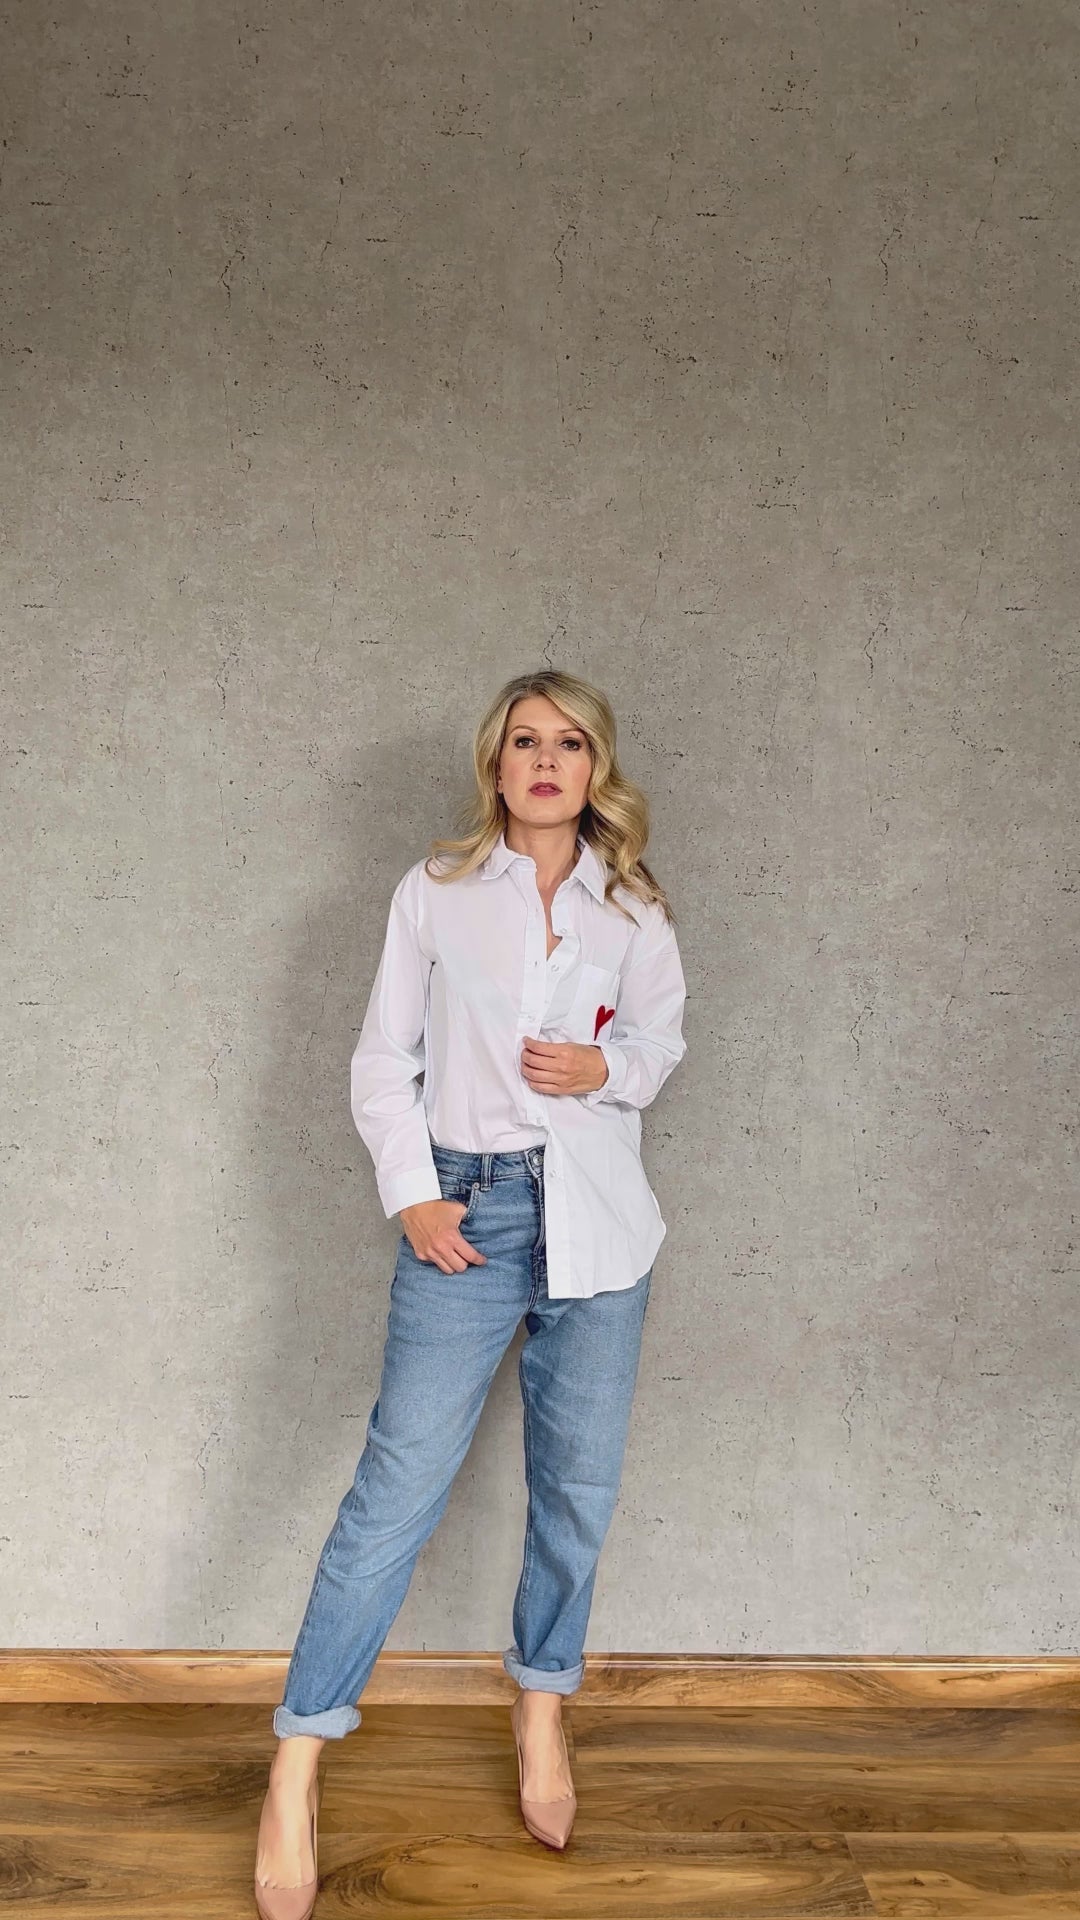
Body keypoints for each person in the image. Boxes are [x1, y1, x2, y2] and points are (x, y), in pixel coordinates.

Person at [254, 668, 688, 1916]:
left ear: (595, 767)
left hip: (601, 1228)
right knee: (394, 1494)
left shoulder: (634, 908)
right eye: (524, 741)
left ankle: (541, 1707)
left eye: (570, 742)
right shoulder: (435, 892)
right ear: (495, 764)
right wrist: (414, 1195)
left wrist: (605, 1067)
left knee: (578, 1494)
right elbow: (381, 1057)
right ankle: (297, 1761)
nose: (546, 761)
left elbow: (659, 1045)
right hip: (470, 1214)